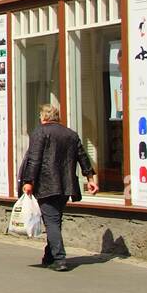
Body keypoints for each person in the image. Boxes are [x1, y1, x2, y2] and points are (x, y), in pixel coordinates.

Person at [18, 102, 97, 272]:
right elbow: (83, 157)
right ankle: (49, 256)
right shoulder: (71, 134)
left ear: (44, 116)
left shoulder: (40, 132)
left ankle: (60, 259)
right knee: (54, 220)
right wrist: (90, 178)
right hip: (66, 185)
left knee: (52, 221)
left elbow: (34, 158)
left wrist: (28, 181)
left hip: (46, 184)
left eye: (40, 116)